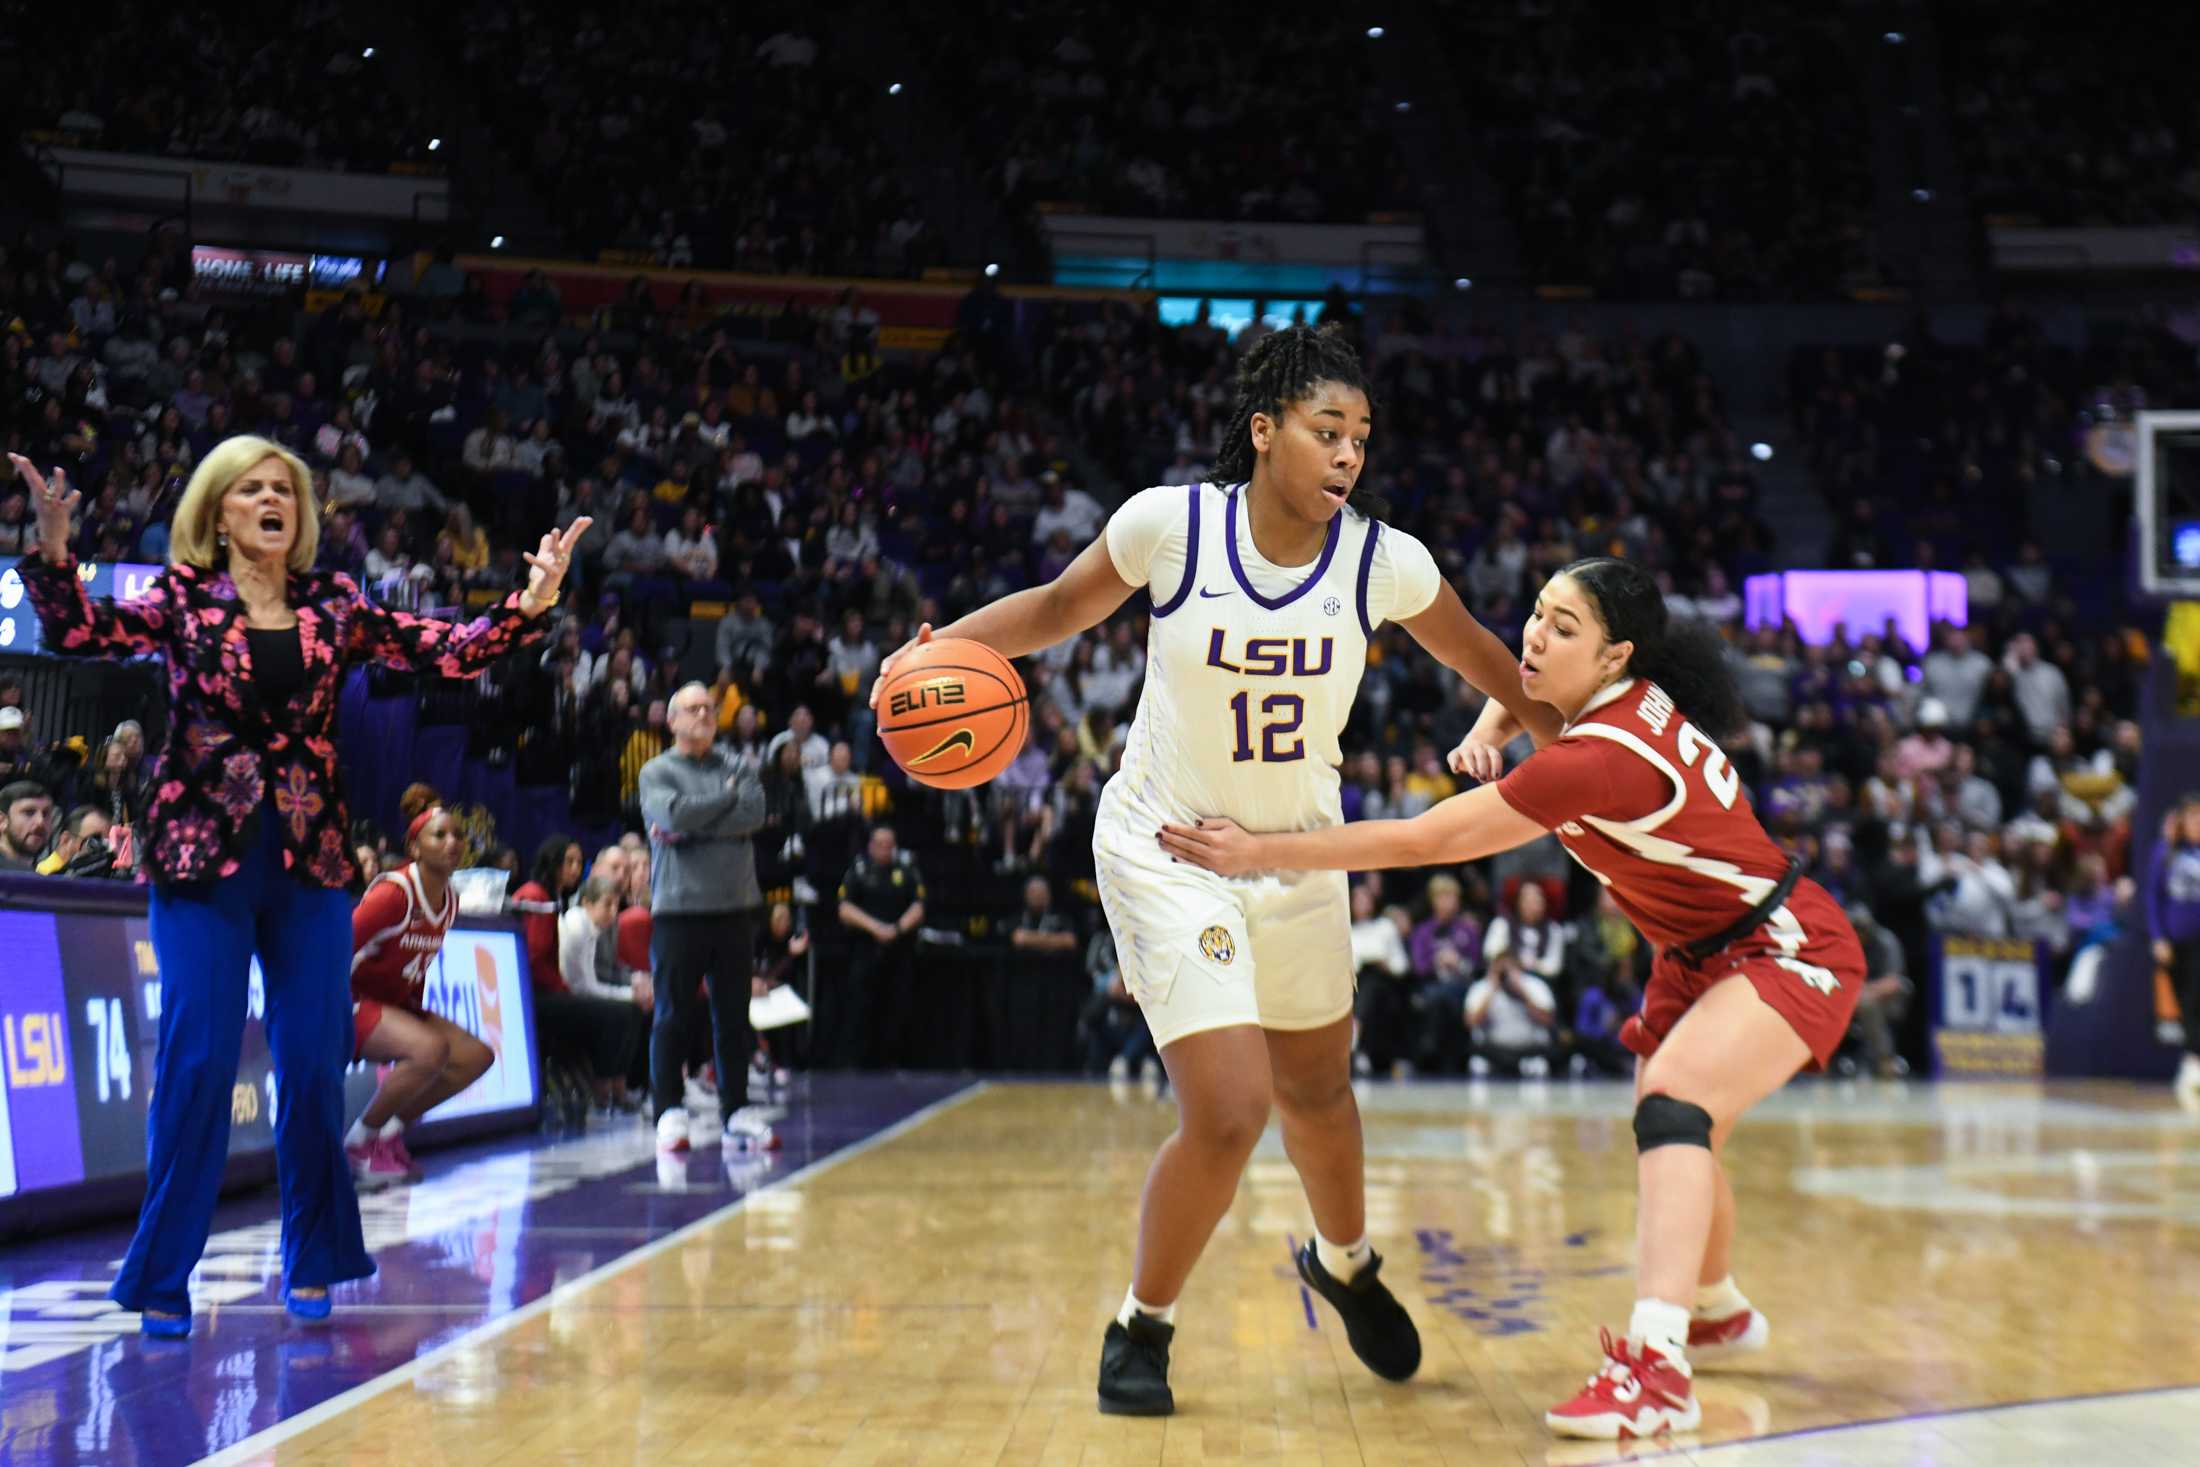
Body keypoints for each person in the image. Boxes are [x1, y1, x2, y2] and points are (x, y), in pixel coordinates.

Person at [871, 324, 1559, 1416]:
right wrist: (934, 650)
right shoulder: (1169, 527)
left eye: (1361, 438)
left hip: (1295, 852)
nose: (1346, 456)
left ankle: (1344, 1264)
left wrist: (1598, 751)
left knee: (1320, 1091)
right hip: (1167, 850)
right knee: (1233, 1109)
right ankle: (1141, 1325)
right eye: (1325, 432)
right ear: (1261, 431)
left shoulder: (1385, 561)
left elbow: (1490, 661)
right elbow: (1052, 611)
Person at [1158, 555, 1865, 1441]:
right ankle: (1712, 1308)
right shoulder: (1613, 702)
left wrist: (1256, 852)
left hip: (1785, 945)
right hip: (1701, 951)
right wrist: (1495, 716)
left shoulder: (1597, 759)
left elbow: (1425, 841)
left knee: (1678, 1107)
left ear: (1617, 659)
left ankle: (1657, 1367)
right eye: (1538, 611)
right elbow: (1525, 691)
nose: (1534, 634)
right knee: (1680, 1117)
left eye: (1563, 628)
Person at [7, 441, 585, 1338]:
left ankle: (314, 1257)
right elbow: (81, 631)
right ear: (218, 512)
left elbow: (450, 650)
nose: (272, 498)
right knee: (197, 1061)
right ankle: (162, 1271)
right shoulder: (182, 599)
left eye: (285, 488)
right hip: (201, 857)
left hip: (311, 860)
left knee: (314, 1064)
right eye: (253, 488)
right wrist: (51, 546)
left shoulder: (335, 604)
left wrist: (532, 599)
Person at [639, 680, 766, 1151]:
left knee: (734, 1016)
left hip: (735, 908)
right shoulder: (656, 770)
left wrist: (696, 824)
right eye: (692, 709)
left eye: (709, 708)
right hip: (679, 908)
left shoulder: (736, 765)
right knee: (672, 1015)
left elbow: (754, 814)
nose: (703, 715)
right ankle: (668, 1111)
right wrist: (721, 804)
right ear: (671, 721)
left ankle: (738, 1110)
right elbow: (670, 818)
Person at [346, 789, 496, 1189]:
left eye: (457, 835)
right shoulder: (395, 893)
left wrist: (412, 1011)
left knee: (476, 1057)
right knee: (430, 1049)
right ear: (414, 846)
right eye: (439, 835)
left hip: (394, 1002)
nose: (452, 842)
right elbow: (338, 949)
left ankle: (388, 1134)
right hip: (348, 1002)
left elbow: (417, 968)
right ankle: (358, 1145)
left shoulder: (449, 900)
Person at [2150, 797, 2200, 1105]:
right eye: (2193, 818)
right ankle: (2192, 1059)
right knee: (2184, 1002)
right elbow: (2153, 897)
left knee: (2196, 997)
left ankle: (2193, 1061)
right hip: (2175, 940)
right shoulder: (2167, 853)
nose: (2197, 824)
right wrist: (2158, 937)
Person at [0, 779, 53, 871]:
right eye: (29, 812)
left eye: (45, 814)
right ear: (2, 821)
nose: (41, 821)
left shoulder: (44, 879)